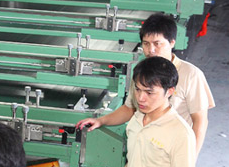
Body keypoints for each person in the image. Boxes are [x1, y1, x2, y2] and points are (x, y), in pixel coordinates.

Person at [76, 13, 214, 154]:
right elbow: (129, 109)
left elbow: (200, 121)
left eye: (157, 44)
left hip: (172, 152)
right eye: (146, 44)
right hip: (142, 148)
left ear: (172, 42)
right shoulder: (142, 70)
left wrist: (191, 157)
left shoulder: (191, 75)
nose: (151, 50)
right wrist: (101, 121)